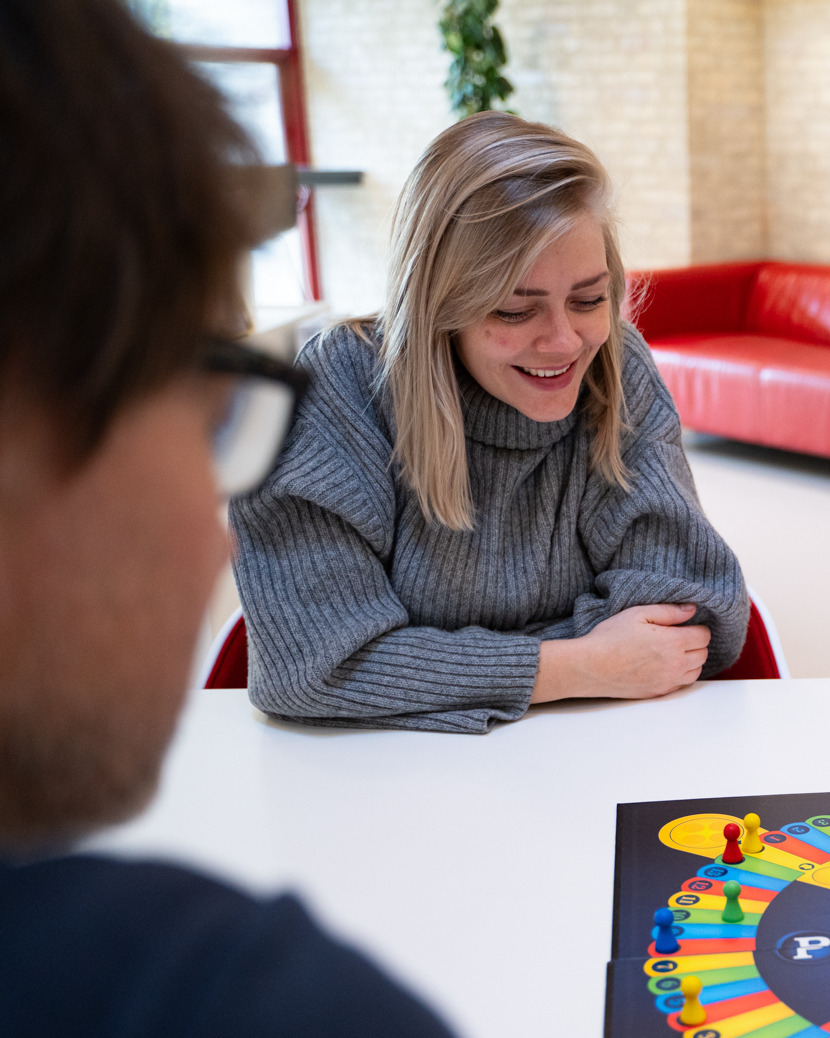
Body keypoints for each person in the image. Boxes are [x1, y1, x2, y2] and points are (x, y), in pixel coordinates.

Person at [0, 2, 627, 1038]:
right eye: (198, 389)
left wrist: (450, 660)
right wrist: (573, 657)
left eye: (587, 300)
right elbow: (315, 654)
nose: (212, 528)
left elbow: (690, 597)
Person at [231, 113, 746, 733]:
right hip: (388, 783)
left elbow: (691, 620)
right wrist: (580, 664)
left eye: (588, 300)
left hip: (590, 758)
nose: (563, 343)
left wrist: (418, 660)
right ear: (438, 304)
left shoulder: (616, 364)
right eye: (513, 309)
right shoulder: (340, 390)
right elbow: (312, 668)